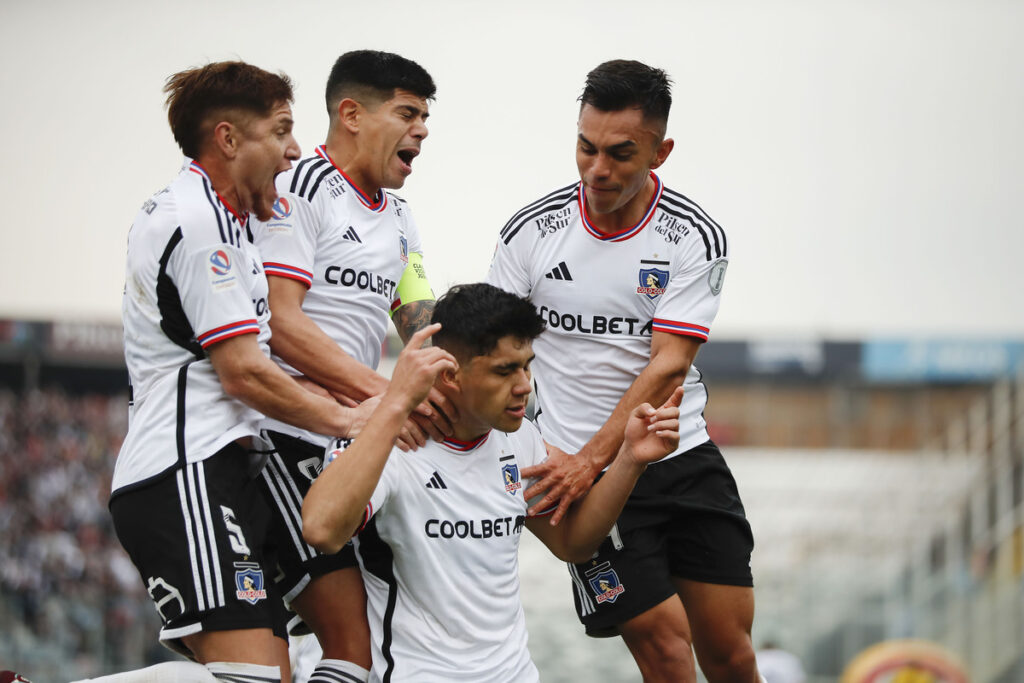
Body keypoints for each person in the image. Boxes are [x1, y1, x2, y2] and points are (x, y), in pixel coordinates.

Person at [486, 59, 761, 682]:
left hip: (681, 457)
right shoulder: (532, 232)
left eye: (619, 153)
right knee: (663, 647)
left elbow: (670, 363)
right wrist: (568, 459)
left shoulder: (694, 236)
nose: (597, 169)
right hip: (581, 478)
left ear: (660, 153)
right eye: (585, 148)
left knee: (731, 653)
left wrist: (594, 454)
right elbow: (490, 348)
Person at [107, 61, 378, 683]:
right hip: (186, 473)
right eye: (281, 131)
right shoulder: (201, 226)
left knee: (352, 646)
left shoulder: (232, 220)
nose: (293, 152)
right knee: (260, 678)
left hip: (244, 461)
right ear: (228, 139)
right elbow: (244, 376)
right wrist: (353, 417)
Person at [300, 283, 684, 683]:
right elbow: (321, 530)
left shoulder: (520, 438)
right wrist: (395, 404)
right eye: (504, 371)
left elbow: (572, 542)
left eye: (526, 365)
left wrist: (630, 459)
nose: (523, 386)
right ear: (448, 374)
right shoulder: (391, 439)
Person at [250, 50, 454, 683]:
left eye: (425, 116)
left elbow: (417, 319)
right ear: (351, 113)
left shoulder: (400, 218)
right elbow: (281, 323)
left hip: (352, 439)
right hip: (282, 438)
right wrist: (391, 398)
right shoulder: (301, 187)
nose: (421, 129)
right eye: (407, 113)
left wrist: (461, 386)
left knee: (378, 625)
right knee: (350, 638)